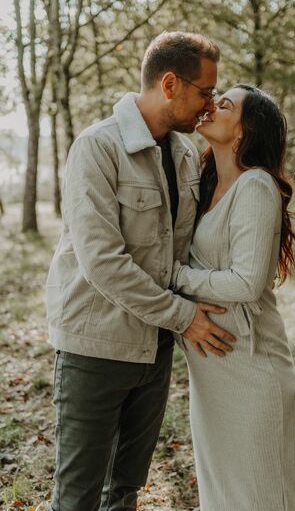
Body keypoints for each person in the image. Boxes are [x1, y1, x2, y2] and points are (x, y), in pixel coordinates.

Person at [44, 32, 237, 511]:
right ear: (170, 83)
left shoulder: (185, 154)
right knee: (78, 497)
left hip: (156, 348)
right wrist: (184, 316)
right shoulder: (97, 148)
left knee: (124, 491)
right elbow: (103, 263)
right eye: (205, 92)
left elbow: (183, 250)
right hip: (96, 348)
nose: (210, 105)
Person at [171, 84, 295, 510]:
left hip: (252, 368)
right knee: (224, 493)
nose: (212, 106)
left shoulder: (255, 186)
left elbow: (248, 283)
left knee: (263, 494)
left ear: (244, 130)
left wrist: (177, 277)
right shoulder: (205, 182)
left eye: (225, 104)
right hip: (212, 371)